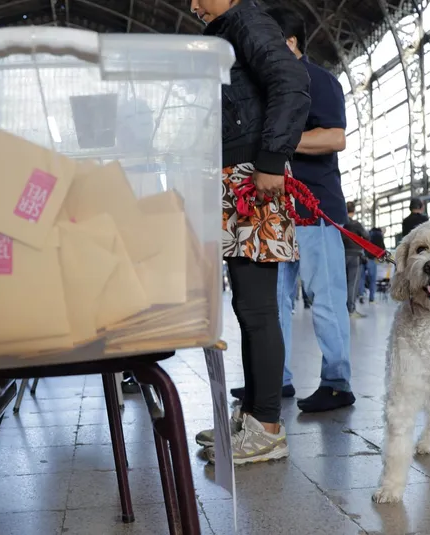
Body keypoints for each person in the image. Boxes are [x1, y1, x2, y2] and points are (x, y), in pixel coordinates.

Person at [191, 0, 310, 464]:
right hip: (238, 176)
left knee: (258, 309)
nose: (194, 6)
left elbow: (291, 81)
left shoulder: (246, 20)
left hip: (253, 178)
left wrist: (270, 160)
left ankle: (268, 428)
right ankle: (254, 415)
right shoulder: (231, 26)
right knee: (247, 305)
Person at [265, 6, 355, 413]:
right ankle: (275, 378)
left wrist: (280, 141)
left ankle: (337, 383)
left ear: (290, 42)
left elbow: (335, 137)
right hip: (272, 211)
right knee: (273, 301)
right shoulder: (269, 86)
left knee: (325, 299)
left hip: (314, 209)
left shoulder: (319, 81)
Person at [344, 202, 368, 318]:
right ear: (353, 211)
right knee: (352, 283)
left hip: (342, 255)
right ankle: (351, 310)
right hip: (355, 255)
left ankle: (343, 309)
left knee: (342, 282)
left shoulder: (341, 224)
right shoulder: (356, 224)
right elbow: (366, 236)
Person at [360, 227, 386, 305]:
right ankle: (371, 299)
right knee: (372, 280)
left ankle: (361, 295)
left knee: (361, 279)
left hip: (362, 258)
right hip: (371, 259)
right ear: (382, 231)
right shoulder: (378, 235)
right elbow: (381, 248)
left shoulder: (367, 233)